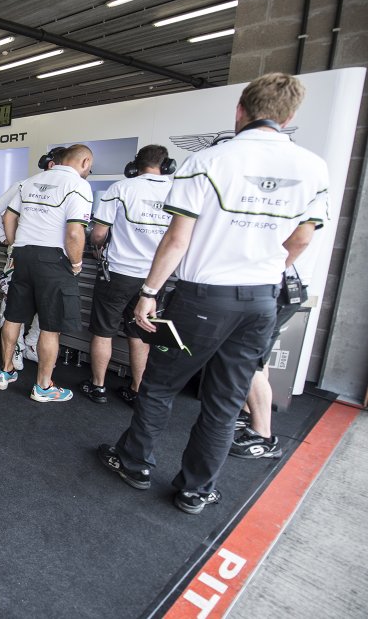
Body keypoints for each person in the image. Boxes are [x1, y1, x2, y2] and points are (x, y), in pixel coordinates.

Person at [97, 72, 329, 515]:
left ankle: (134, 463)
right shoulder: (313, 167)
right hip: (261, 300)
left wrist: (149, 292)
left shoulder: (207, 161)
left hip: (202, 299)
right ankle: (196, 490)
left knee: (159, 386)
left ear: (240, 110)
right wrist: (263, 269)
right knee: (225, 401)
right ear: (289, 116)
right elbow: (301, 239)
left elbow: (177, 240)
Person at [0, 144, 93, 401]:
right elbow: (75, 232)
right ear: (84, 162)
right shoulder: (78, 185)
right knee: (51, 328)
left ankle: (5, 372)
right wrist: (76, 263)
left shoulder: (30, 181)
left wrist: (13, 246)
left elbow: (8, 217)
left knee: (13, 317)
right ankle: (43, 387)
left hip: (23, 255)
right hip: (54, 260)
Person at [81, 145, 174, 405]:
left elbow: (98, 234)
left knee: (103, 332)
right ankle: (136, 390)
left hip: (117, 273)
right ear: (167, 165)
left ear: (135, 165)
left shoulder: (121, 188)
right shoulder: (176, 191)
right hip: (154, 279)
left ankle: (98, 387)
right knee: (140, 333)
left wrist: (97, 246)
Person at [0, 147, 67, 370]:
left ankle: (24, 348)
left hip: (26, 255)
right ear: (52, 164)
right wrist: (8, 240)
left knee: (19, 304)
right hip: (43, 257)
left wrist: (9, 241)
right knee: (30, 304)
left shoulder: (31, 184)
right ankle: (24, 348)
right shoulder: (32, 185)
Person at [231, 266, 307, 459]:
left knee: (248, 361)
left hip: (277, 290)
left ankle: (262, 436)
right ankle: (249, 414)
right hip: (283, 289)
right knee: (258, 360)